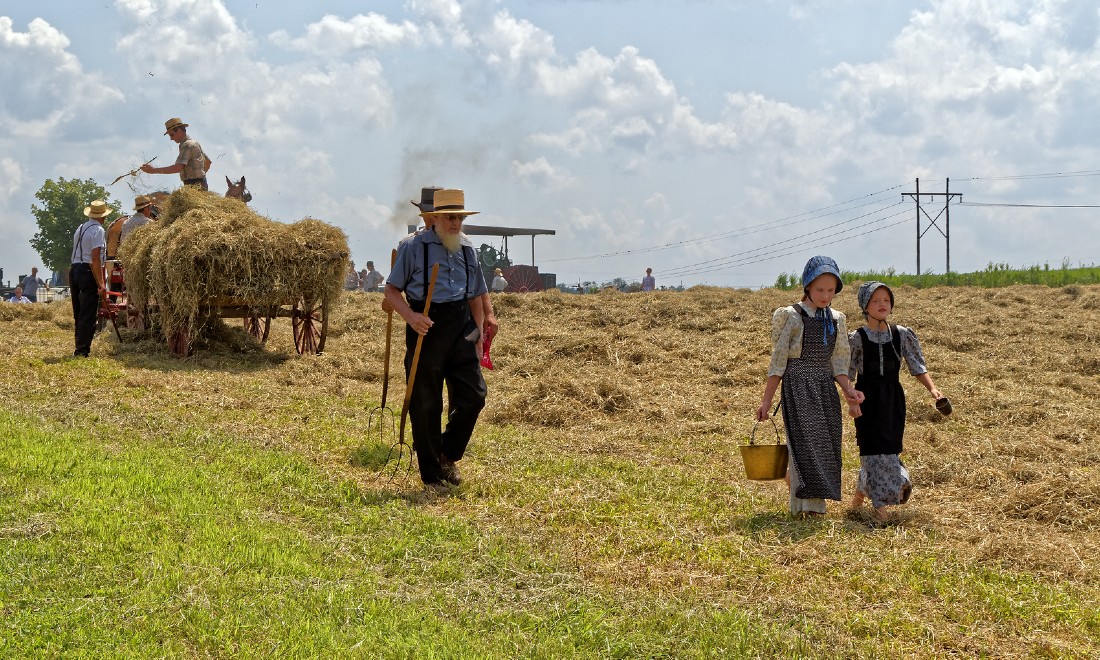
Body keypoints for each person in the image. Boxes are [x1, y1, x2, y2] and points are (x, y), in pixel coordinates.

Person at [384, 189, 489, 489]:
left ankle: (447, 453)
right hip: (426, 326)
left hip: (462, 329)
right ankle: (432, 474)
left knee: (474, 396)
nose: (455, 224)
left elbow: (476, 296)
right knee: (426, 402)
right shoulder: (413, 247)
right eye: (450, 218)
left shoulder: (469, 249)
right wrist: (412, 318)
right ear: (436, 219)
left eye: (459, 218)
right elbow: (391, 292)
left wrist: (478, 332)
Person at [756, 256, 863, 516]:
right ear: (806, 287)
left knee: (826, 444)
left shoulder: (837, 319)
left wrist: (849, 390)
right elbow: (778, 363)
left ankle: (812, 504)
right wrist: (766, 401)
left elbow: (838, 363)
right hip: (798, 387)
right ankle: (809, 508)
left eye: (830, 290)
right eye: (819, 290)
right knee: (805, 445)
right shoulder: (790, 316)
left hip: (825, 388)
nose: (826, 296)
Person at [847, 281, 945, 522]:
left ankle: (858, 500)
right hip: (866, 400)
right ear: (865, 306)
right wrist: (851, 401)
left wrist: (933, 390)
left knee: (888, 450)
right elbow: (845, 372)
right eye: (875, 301)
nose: (882, 305)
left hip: (893, 401)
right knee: (872, 452)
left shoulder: (901, 334)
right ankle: (880, 510)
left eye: (886, 300)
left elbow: (917, 365)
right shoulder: (856, 338)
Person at [69, 199, 110, 357]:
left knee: (78, 311)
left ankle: (79, 345)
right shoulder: (98, 230)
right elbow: (95, 258)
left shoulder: (80, 228)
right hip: (88, 270)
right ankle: (82, 351)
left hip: (75, 269)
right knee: (88, 312)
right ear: (102, 216)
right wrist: (101, 283)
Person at [141, 118, 212, 190]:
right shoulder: (194, 144)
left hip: (194, 186)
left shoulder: (187, 145)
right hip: (199, 185)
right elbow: (208, 162)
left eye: (172, 135)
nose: (171, 139)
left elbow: (178, 168)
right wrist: (201, 177)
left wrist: (153, 170)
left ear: (179, 130)